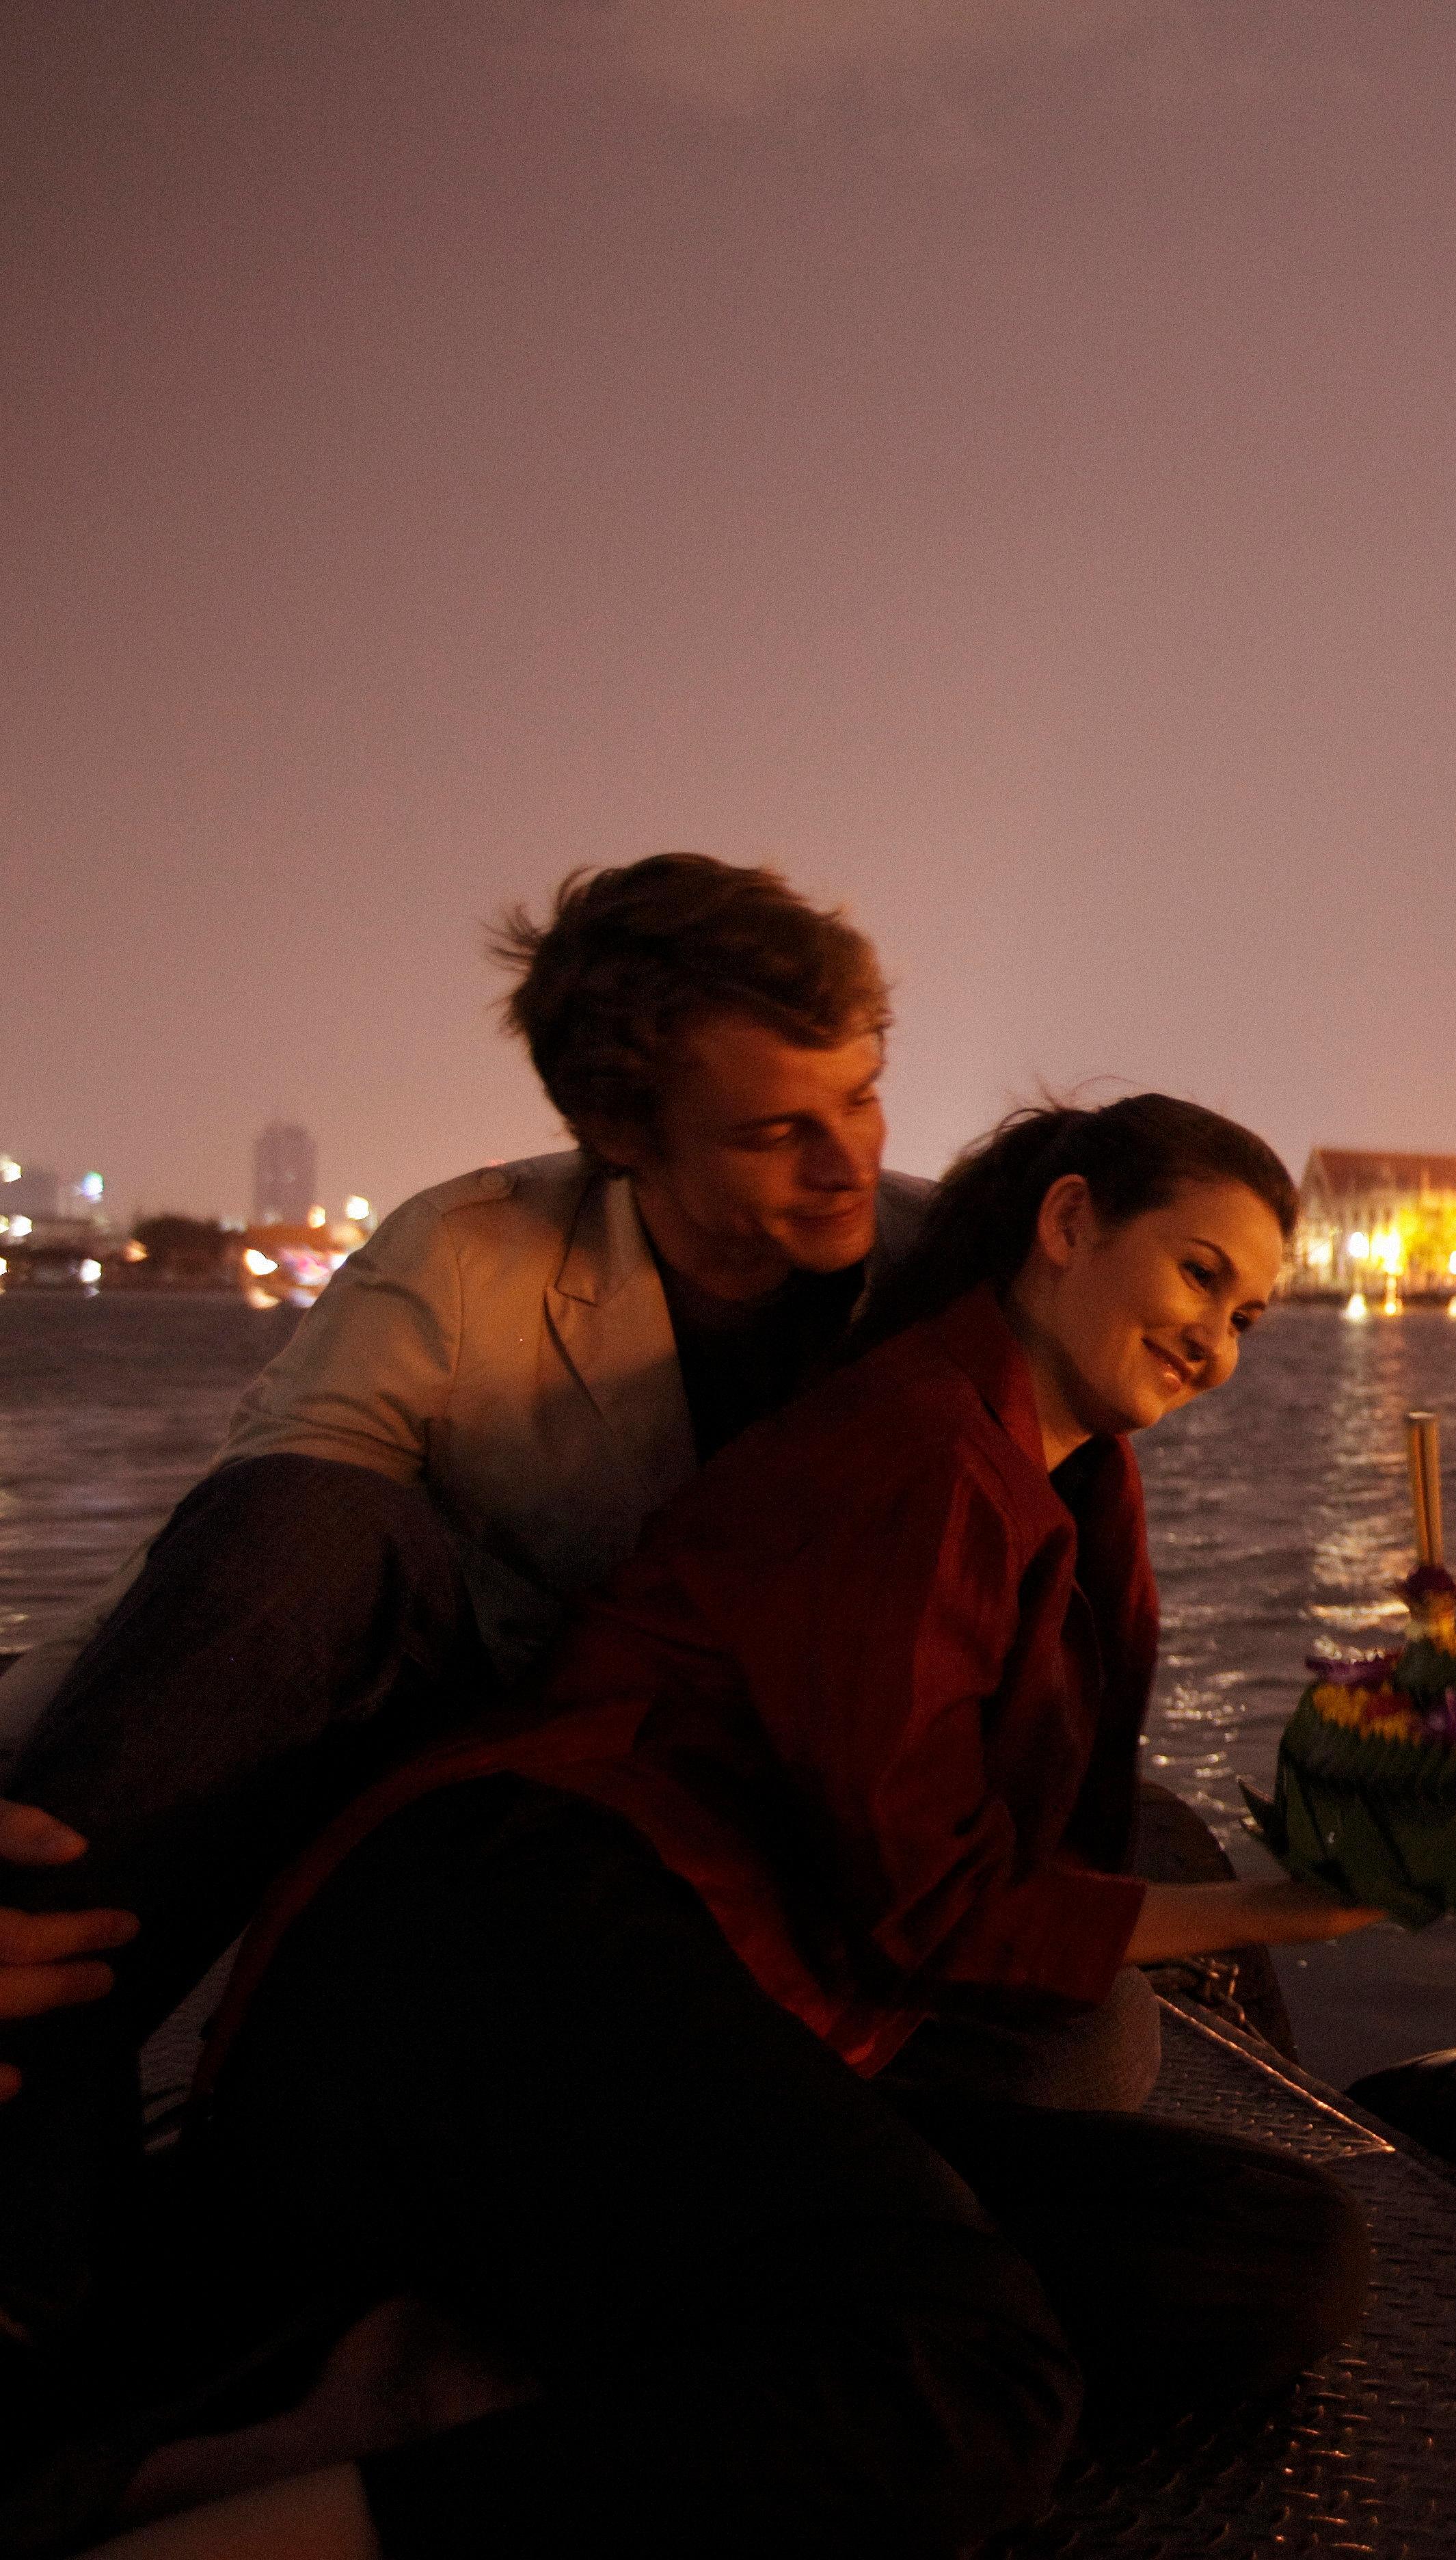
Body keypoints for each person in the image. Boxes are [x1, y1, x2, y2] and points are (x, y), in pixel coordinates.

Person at [79, 1097, 1379, 2559]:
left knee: (1269, 2261)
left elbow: (1001, 1894)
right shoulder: (919, 1449)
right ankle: (221, 2523)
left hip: (759, 1997)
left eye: (1255, 1315)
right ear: (1069, 1223)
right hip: (525, 1940)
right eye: (1200, 1275)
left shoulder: (1060, 1490)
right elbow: (941, 1908)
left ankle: (488, 2340)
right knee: (963, 2381)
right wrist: (1296, 1904)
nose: (1220, 1341)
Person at [0, 855, 922, 2376]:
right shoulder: (471, 1252)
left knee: (1099, 2057)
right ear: (623, 1134)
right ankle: (27, 2134)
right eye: (777, 1132)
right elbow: (255, 1567)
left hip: (741, 1800)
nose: (846, 1165)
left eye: (867, 1099)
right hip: (461, 1745)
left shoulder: (943, 1269)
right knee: (323, 1506)